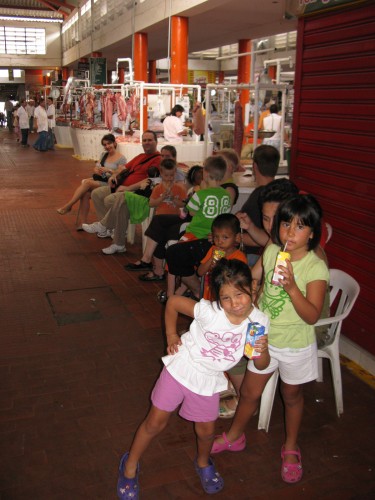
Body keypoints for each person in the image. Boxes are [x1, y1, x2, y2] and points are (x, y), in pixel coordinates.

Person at [116, 259, 270, 499]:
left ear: (252, 287)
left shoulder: (258, 322)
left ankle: (202, 462)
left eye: (240, 294)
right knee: (155, 422)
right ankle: (130, 464)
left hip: (208, 380)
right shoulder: (210, 312)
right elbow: (174, 303)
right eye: (226, 298)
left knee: (207, 431)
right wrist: (170, 334)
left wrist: (263, 349)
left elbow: (260, 364)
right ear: (218, 297)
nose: (234, 304)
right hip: (181, 368)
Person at [212, 194, 329, 485]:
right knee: (250, 392)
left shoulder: (315, 267)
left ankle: (290, 447)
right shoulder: (273, 250)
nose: (290, 232)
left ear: (312, 233)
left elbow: (312, 316)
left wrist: (291, 287)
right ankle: (235, 436)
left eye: (300, 227)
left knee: (291, 396)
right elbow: (255, 279)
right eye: (286, 223)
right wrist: (245, 291)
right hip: (262, 335)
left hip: (295, 343)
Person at [160, 155, 232, 302]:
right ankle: (181, 290)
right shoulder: (226, 195)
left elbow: (191, 212)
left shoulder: (200, 194)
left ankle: (170, 293)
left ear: (205, 173)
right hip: (214, 237)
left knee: (172, 255)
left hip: (196, 234)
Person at [81, 130, 162, 254]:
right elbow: (123, 168)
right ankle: (107, 229)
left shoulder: (158, 159)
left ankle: (105, 225)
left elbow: (151, 180)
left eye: (150, 140)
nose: (146, 143)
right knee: (96, 194)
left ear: (156, 142)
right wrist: (115, 175)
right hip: (120, 185)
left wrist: (128, 188)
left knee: (112, 200)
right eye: (144, 140)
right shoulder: (140, 157)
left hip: (135, 191)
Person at [124, 164, 203, 281]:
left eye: (172, 175)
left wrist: (174, 199)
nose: (170, 178)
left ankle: (151, 264)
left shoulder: (187, 189)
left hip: (178, 218)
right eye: (167, 175)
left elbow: (186, 208)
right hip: (169, 218)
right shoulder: (160, 188)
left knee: (158, 225)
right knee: (160, 229)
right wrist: (162, 199)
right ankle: (156, 269)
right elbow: (152, 203)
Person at [56, 134, 127, 228]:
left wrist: (109, 170)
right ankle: (83, 223)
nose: (107, 146)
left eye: (109, 143)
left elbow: (120, 174)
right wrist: (98, 170)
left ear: (114, 143)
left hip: (111, 184)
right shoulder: (104, 155)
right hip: (101, 179)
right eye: (105, 145)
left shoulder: (122, 158)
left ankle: (68, 206)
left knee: (87, 183)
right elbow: (97, 167)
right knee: (85, 194)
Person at [239, 144, 280, 266]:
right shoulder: (278, 192)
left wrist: (234, 238)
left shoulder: (262, 196)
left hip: (252, 255)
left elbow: (265, 239)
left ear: (254, 166)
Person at [198, 214, 247, 300]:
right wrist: (211, 260)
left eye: (225, 237)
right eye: (216, 237)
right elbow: (200, 272)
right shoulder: (213, 250)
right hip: (210, 297)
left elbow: (239, 283)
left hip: (228, 298)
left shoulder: (239, 257)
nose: (219, 241)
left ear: (237, 237)